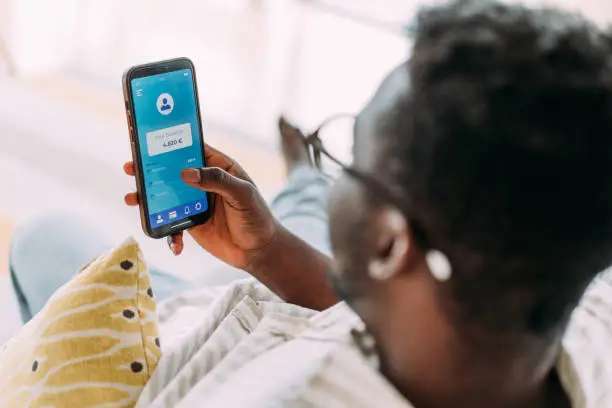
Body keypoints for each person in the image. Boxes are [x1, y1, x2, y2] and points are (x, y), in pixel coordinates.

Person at [9, 1, 612, 406]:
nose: (344, 175)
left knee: (41, 241)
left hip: (180, 342)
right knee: (296, 213)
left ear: (391, 244)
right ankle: (301, 181)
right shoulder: (576, 322)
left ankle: (302, 179)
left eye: (349, 159)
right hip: (285, 297)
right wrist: (268, 250)